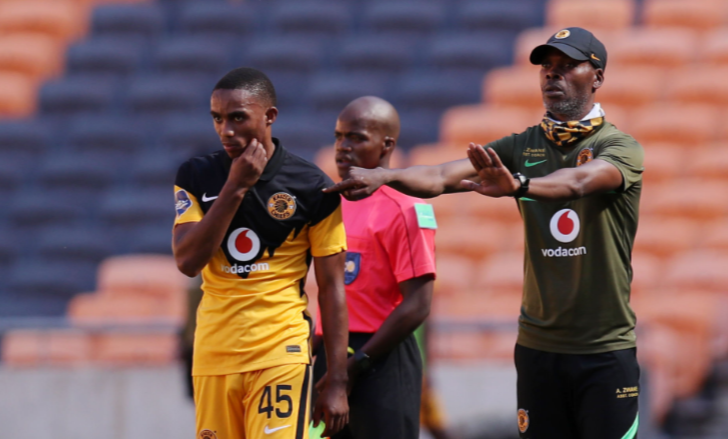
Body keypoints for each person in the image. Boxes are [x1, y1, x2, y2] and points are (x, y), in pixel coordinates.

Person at [326, 28, 644, 439]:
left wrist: (520, 185)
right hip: (537, 348)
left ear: (597, 76)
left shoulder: (620, 146)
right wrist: (382, 176)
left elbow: (579, 181)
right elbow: (441, 175)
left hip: (604, 350)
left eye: (567, 66)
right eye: (547, 67)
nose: (552, 75)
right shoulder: (522, 146)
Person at [172, 67, 350, 439]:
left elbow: (333, 287)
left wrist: (336, 380)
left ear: (270, 116)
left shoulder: (313, 186)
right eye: (217, 119)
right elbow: (188, 262)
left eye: (238, 117)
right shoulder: (195, 176)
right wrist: (235, 187)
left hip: (279, 350)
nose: (226, 130)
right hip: (213, 354)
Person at [312, 96, 437, 439]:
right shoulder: (326, 206)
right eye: (339, 137)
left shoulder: (407, 209)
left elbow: (418, 304)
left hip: (381, 359)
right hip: (330, 357)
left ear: (387, 145)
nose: (342, 147)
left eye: (356, 138)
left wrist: (359, 363)